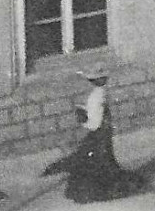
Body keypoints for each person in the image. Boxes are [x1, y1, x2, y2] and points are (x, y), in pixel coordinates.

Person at [41, 68, 142, 203]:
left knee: (92, 160)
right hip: (104, 131)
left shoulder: (96, 96)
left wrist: (83, 118)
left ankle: (96, 191)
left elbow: (94, 123)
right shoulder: (102, 93)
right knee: (101, 159)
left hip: (98, 131)